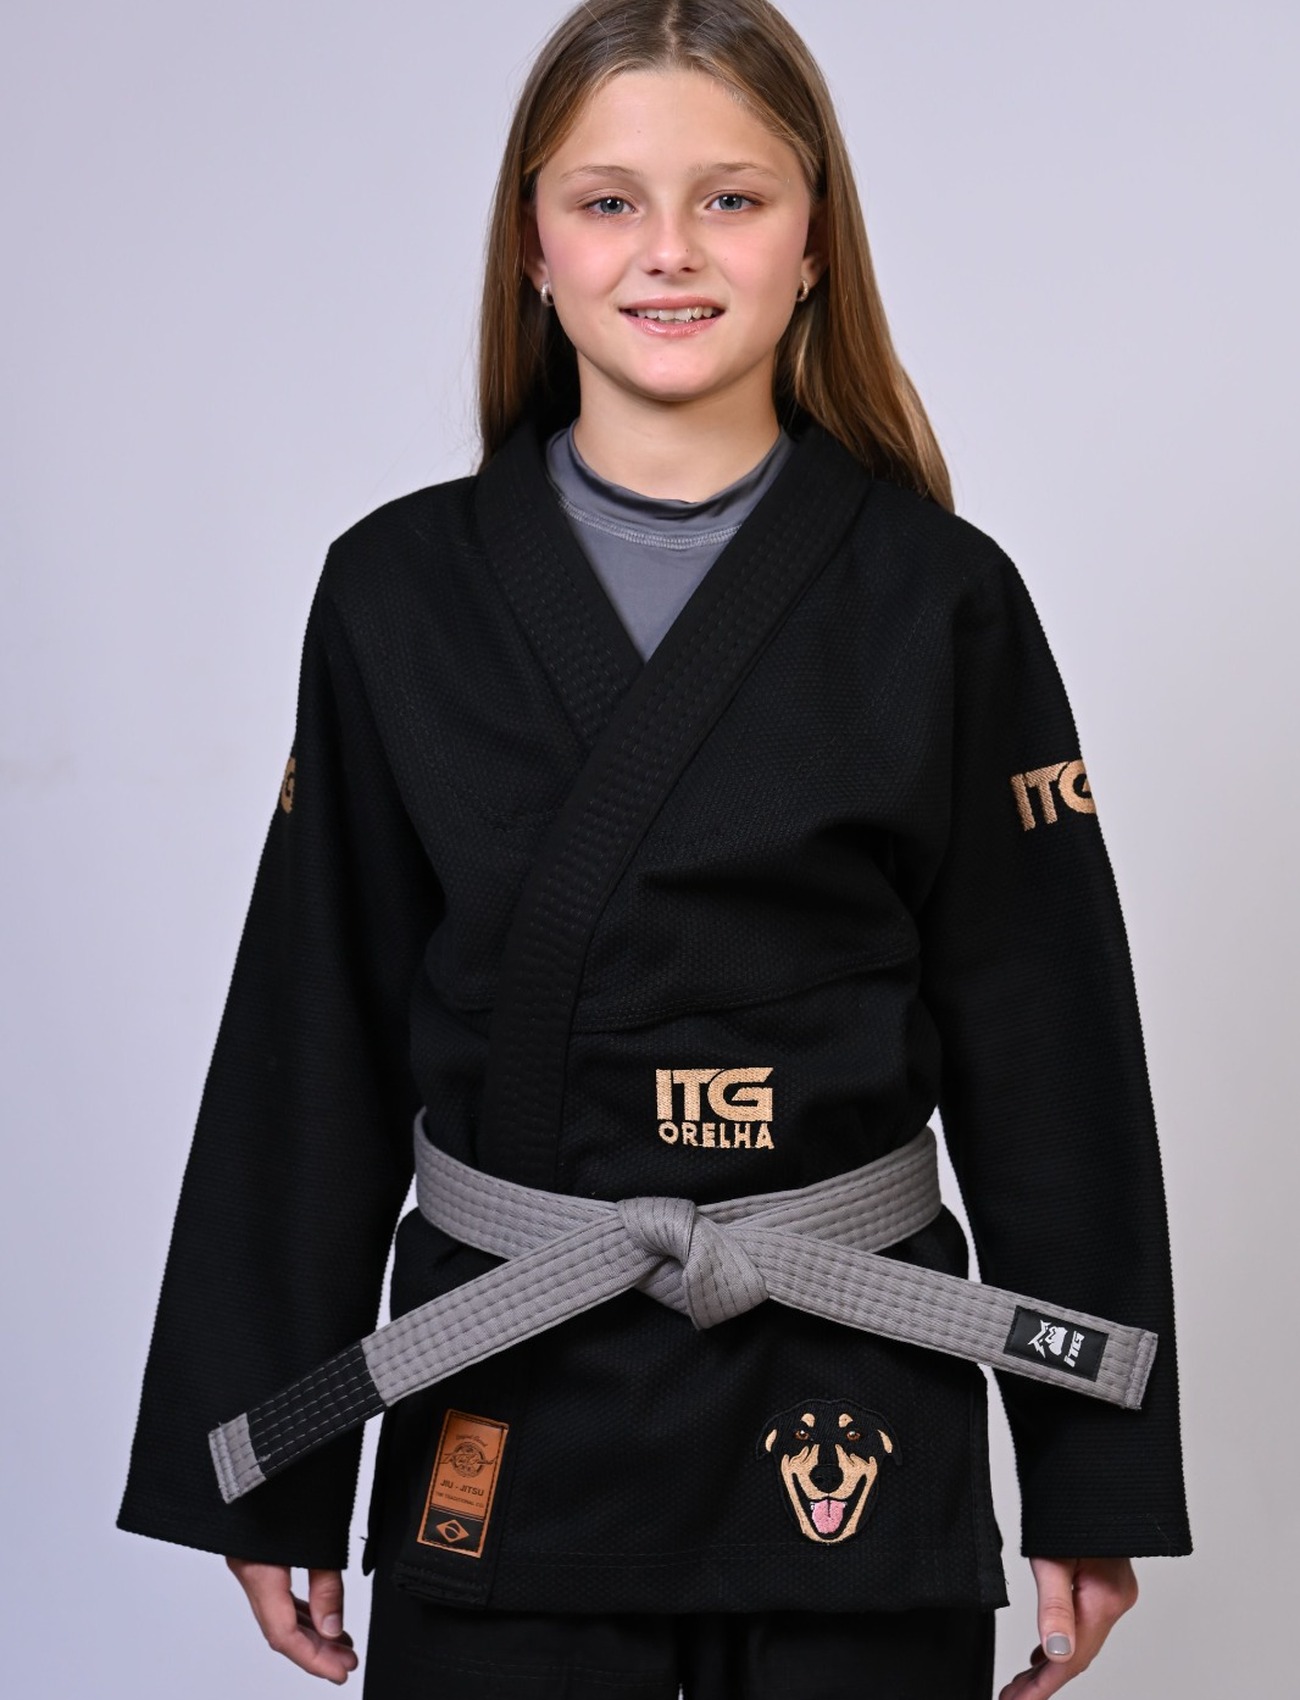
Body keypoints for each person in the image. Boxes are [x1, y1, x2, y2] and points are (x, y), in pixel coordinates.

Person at [116, 3, 1191, 1696]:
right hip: (507, 1393)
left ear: (815, 240)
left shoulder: (940, 597)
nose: (669, 250)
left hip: (851, 1394)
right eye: (608, 200)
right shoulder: (398, 593)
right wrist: (266, 1467)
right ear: (532, 244)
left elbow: (1050, 1051)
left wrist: (1094, 1469)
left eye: (731, 199)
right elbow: (310, 1037)